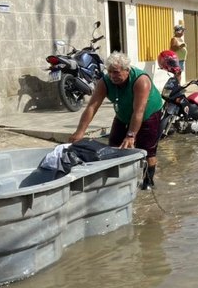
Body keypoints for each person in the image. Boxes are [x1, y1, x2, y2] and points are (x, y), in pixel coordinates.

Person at [69, 52, 164, 190]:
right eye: (110, 72)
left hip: (148, 113)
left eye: (117, 72)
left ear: (127, 70)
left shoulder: (140, 80)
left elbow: (139, 111)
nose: (113, 76)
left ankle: (148, 182)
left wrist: (131, 135)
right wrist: (80, 132)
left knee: (147, 149)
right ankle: (118, 181)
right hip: (123, 113)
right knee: (113, 146)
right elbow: (91, 107)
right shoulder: (105, 82)